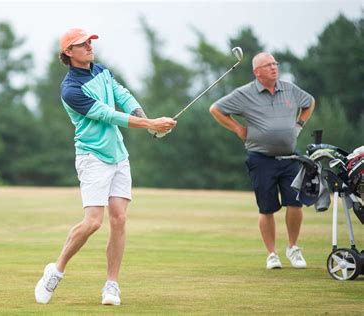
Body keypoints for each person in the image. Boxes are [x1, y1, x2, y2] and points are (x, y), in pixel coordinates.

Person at [34, 28, 177, 305]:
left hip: (118, 155)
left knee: (119, 218)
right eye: (81, 44)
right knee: (93, 222)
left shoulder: (102, 71)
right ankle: (56, 269)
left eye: (89, 42)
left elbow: (122, 95)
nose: (89, 46)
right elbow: (107, 114)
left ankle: (111, 285)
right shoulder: (71, 90)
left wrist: (146, 121)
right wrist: (150, 125)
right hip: (92, 157)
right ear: (68, 53)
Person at [209, 52, 315, 270]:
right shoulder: (245, 93)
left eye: (275, 63)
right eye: (268, 65)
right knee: (266, 208)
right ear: (257, 72)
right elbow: (216, 109)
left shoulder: (289, 89)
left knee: (295, 203)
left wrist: (299, 125)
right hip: (261, 158)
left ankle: (293, 247)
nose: (274, 68)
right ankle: (272, 254)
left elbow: (310, 102)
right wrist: (238, 129)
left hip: (289, 157)